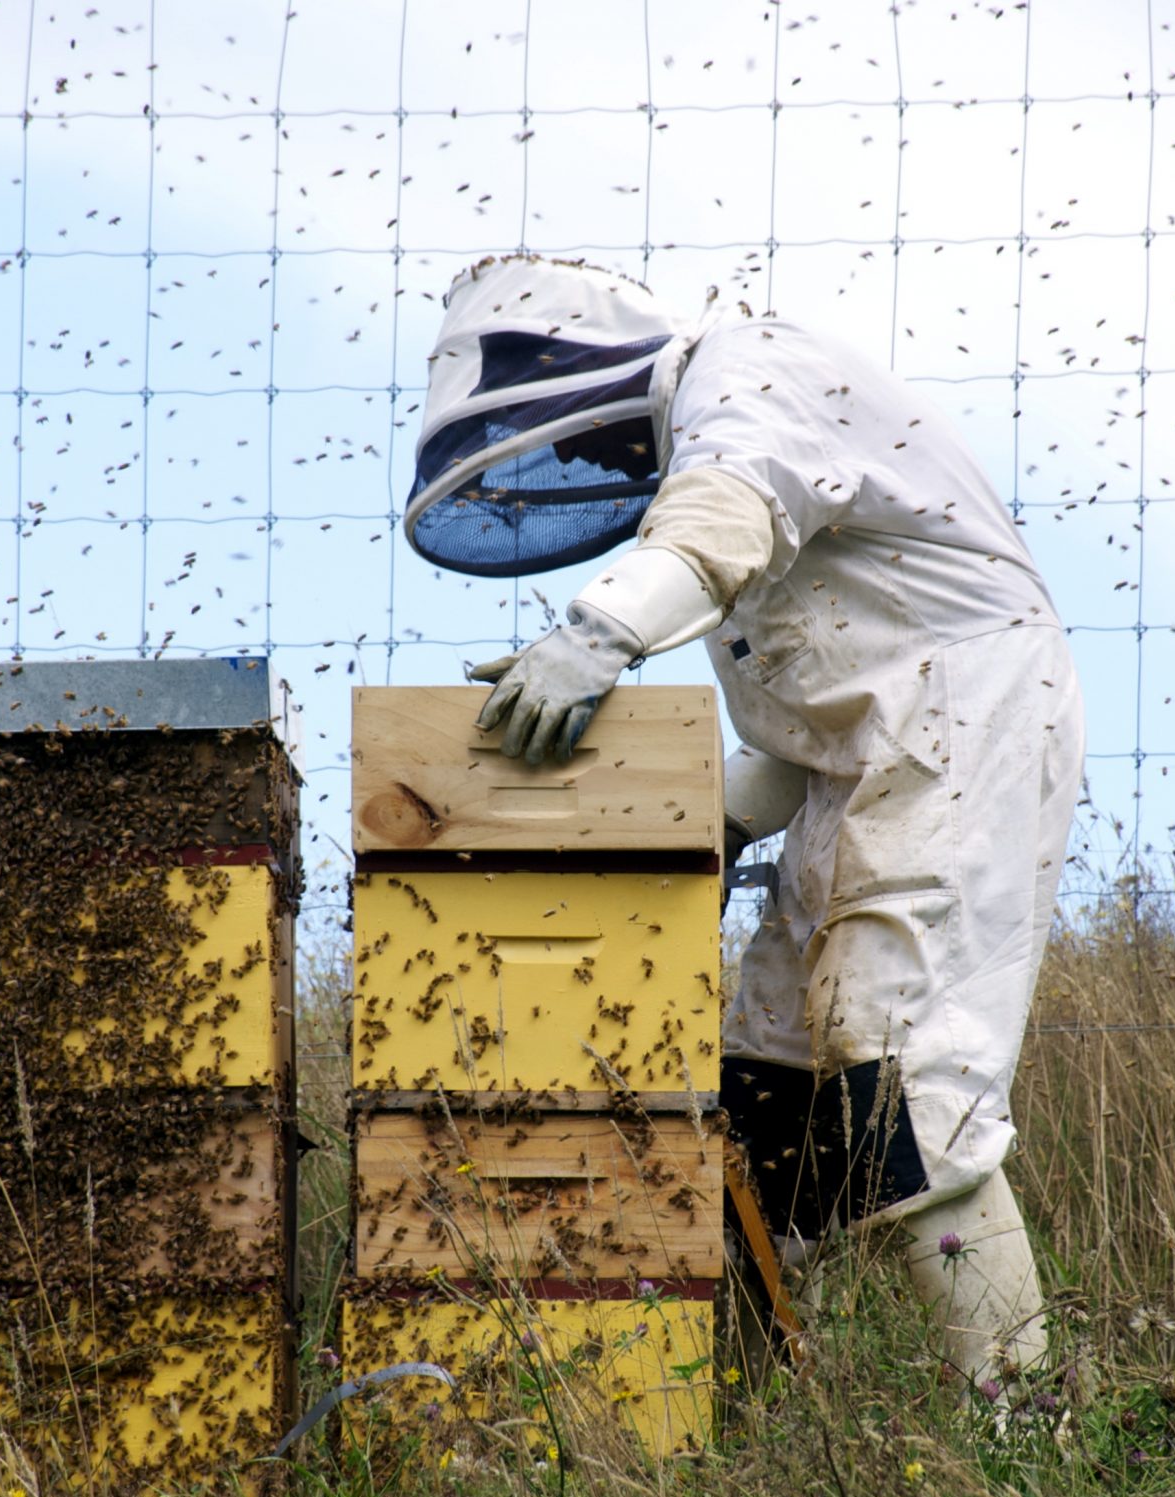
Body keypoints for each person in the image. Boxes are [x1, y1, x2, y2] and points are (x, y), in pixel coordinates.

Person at [402, 255, 1084, 1385]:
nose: (576, 460)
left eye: (559, 435)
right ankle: (727, 1417)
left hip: (962, 735)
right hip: (864, 771)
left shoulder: (752, 372)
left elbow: (722, 514)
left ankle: (1024, 1424)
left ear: (563, 369)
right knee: (770, 1082)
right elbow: (798, 734)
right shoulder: (724, 449)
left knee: (898, 1065)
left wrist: (595, 635)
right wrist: (697, 823)